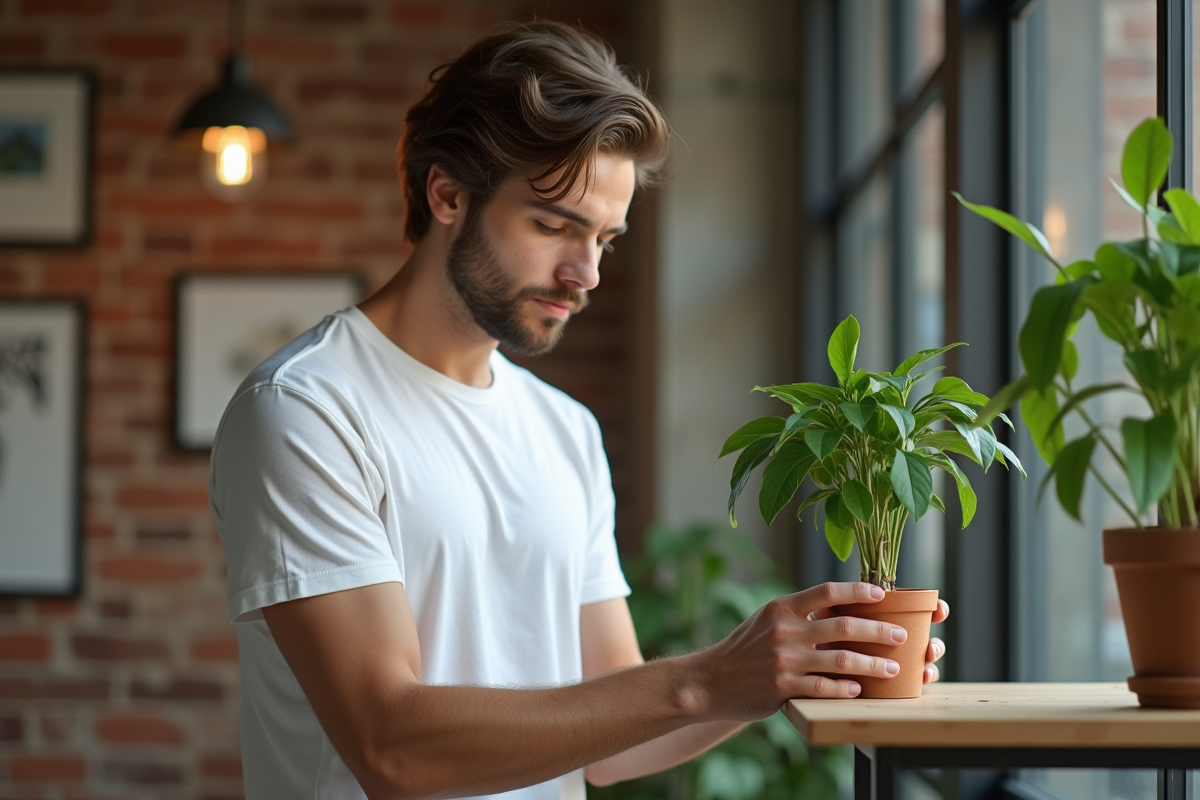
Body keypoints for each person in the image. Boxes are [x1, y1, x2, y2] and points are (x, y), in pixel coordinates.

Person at [208, 20, 949, 800]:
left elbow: (609, 746)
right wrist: (703, 678)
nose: (586, 272)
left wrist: (788, 670)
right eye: (554, 226)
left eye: (607, 239)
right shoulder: (305, 411)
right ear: (448, 194)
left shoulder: (565, 431)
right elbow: (391, 746)